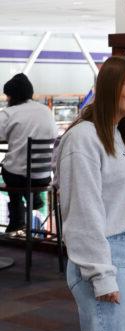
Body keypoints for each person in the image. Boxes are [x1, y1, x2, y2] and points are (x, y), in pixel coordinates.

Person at [56, 56, 125, 331]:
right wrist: (101, 275)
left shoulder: (119, 134)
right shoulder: (84, 138)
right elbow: (83, 212)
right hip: (107, 255)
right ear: (110, 86)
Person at [0, 73, 58, 232]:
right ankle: (33, 197)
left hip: (20, 178)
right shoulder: (46, 110)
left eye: (8, 95)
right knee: (16, 171)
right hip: (44, 177)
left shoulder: (8, 113)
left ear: (14, 95)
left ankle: (17, 219)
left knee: (7, 170)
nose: (7, 99)